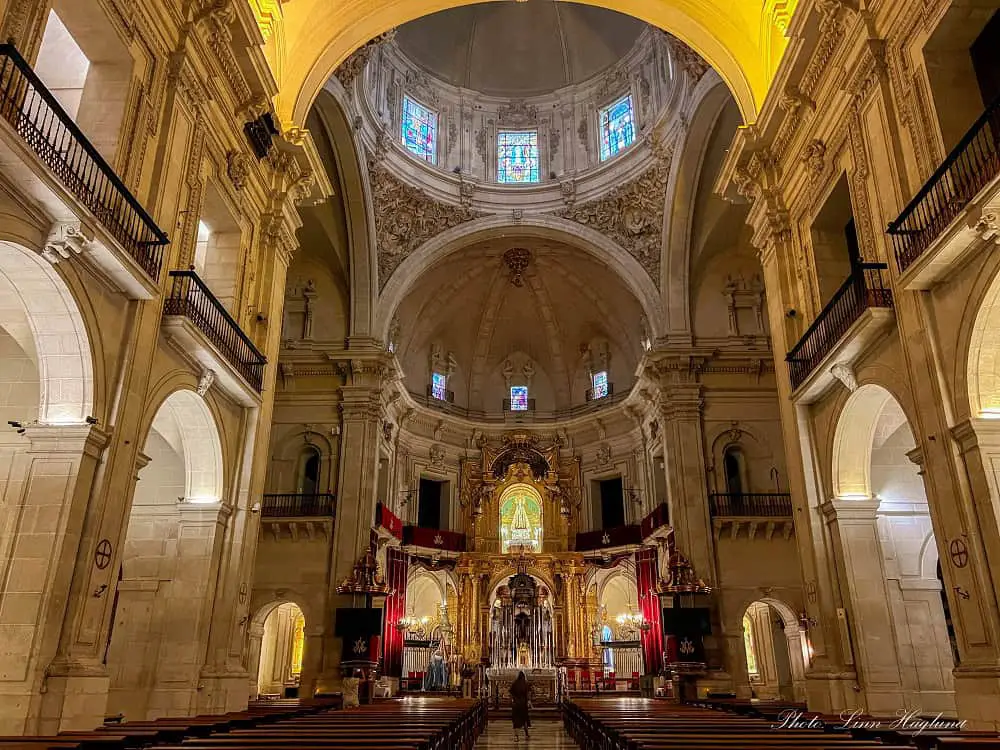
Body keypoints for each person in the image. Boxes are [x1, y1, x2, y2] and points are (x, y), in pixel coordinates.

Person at [509, 670, 531, 741]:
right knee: (524, 720)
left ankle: (516, 736)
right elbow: (528, 694)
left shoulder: (514, 683)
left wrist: (512, 701)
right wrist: (528, 701)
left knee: (515, 721)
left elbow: (511, 693)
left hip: (516, 704)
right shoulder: (526, 684)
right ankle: (527, 734)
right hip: (523, 704)